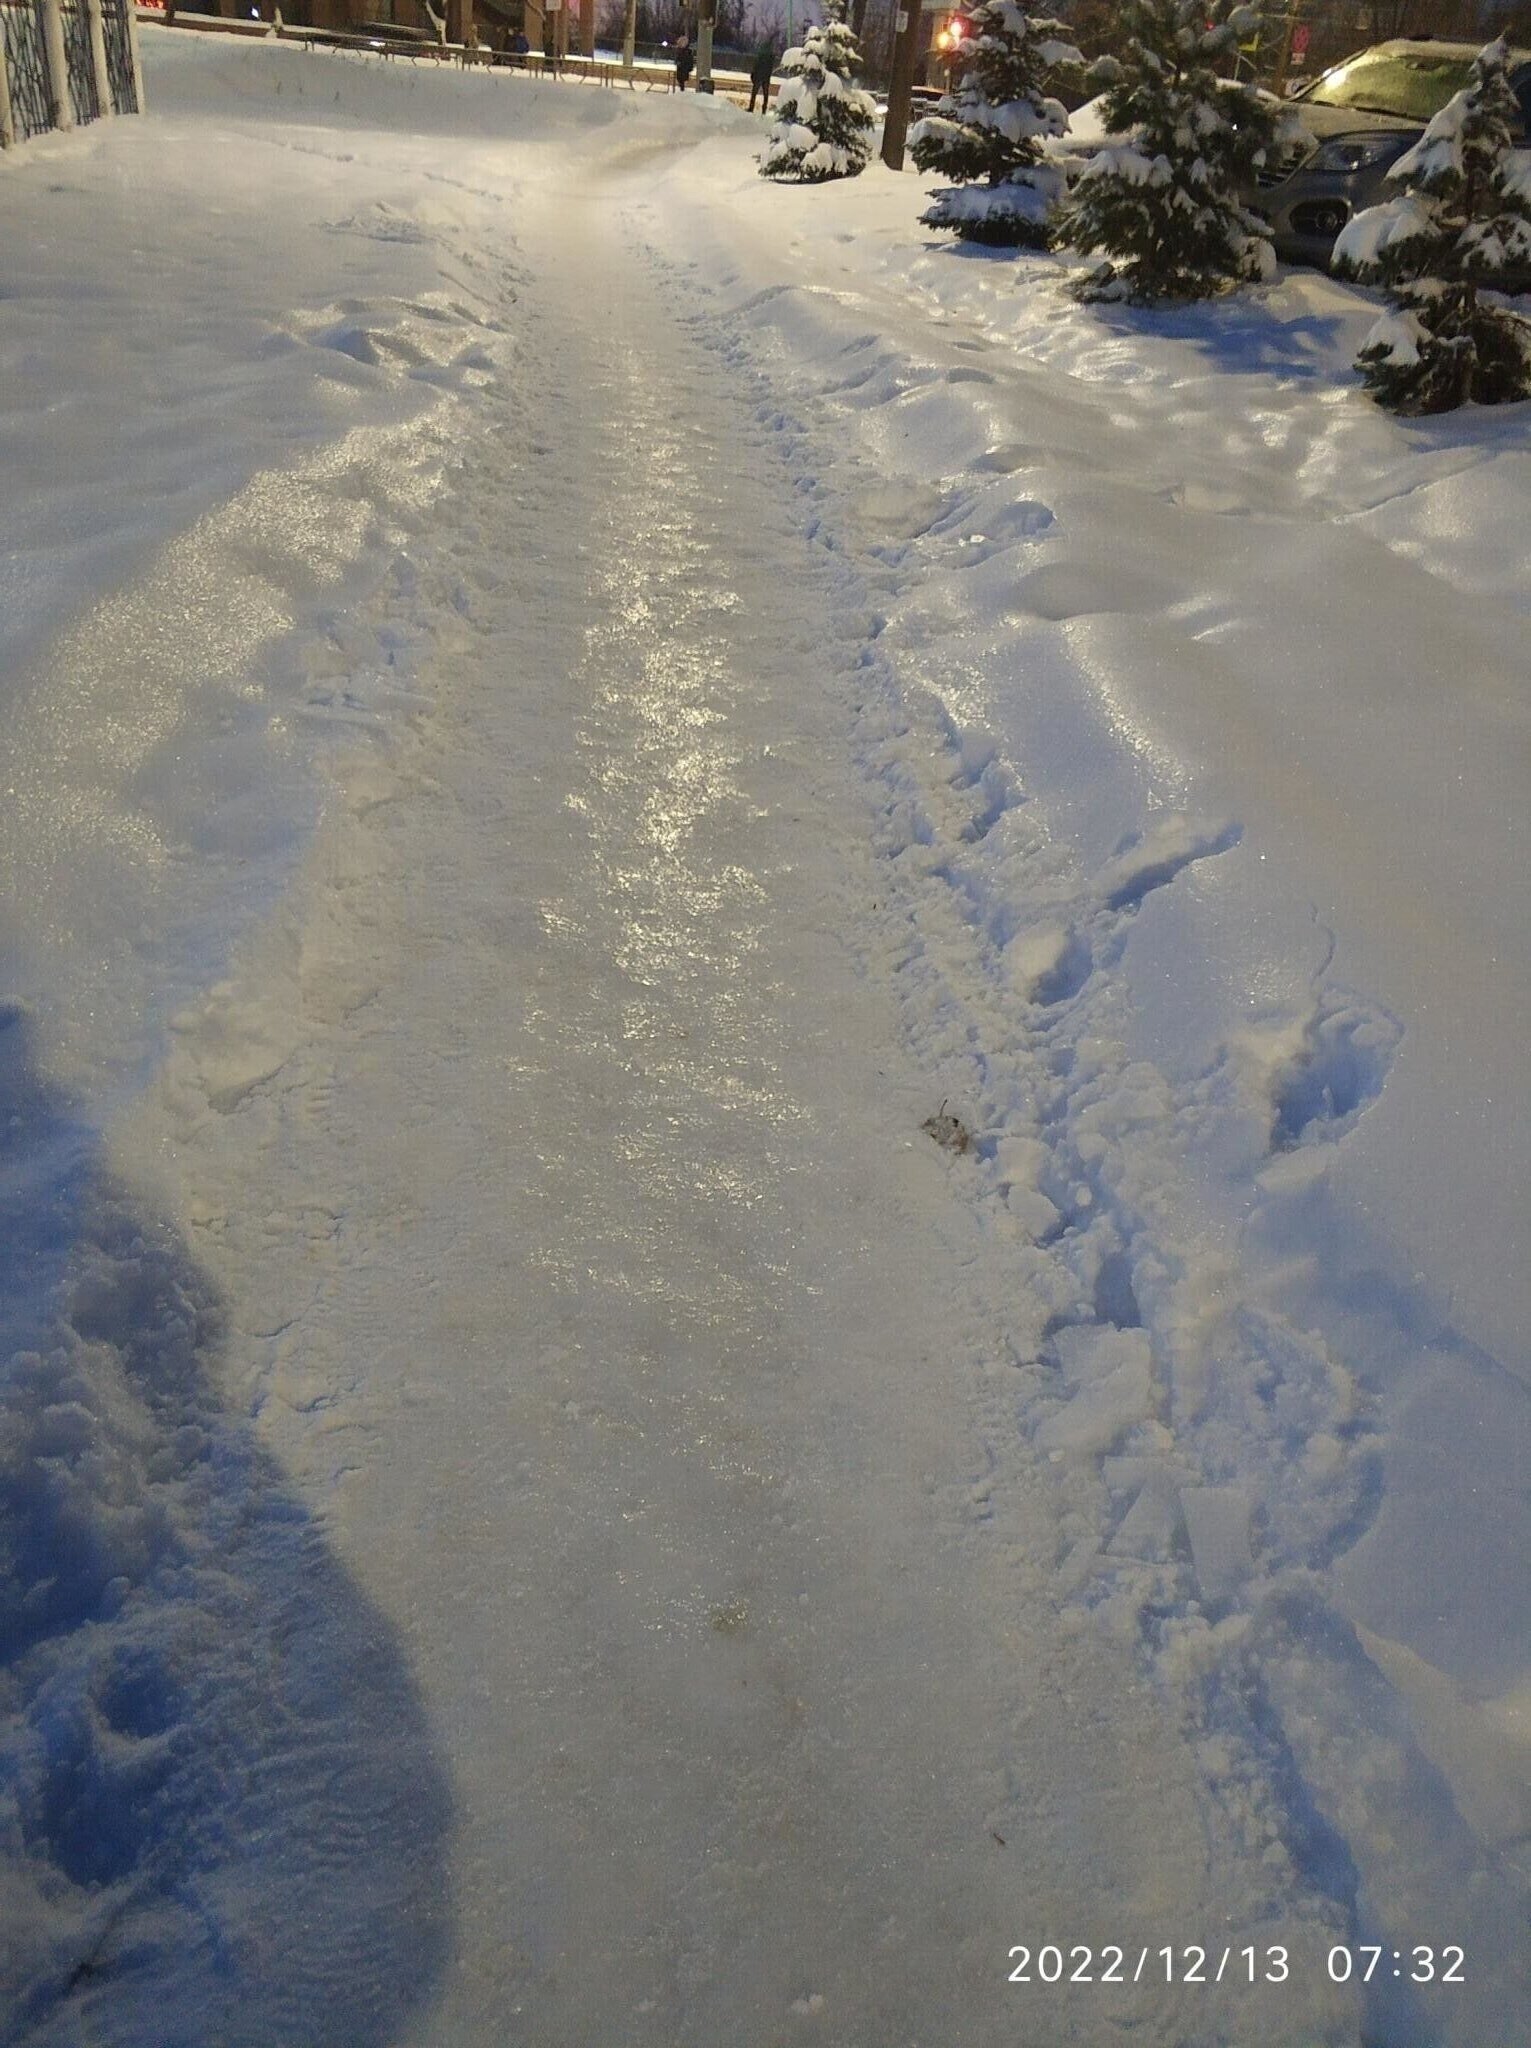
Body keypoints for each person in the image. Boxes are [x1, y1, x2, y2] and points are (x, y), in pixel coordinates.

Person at [748, 40, 774, 113]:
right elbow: (770, 68)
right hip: (766, 77)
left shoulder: (760, 55)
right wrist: (768, 75)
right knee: (765, 94)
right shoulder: (771, 56)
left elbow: (756, 65)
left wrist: (753, 75)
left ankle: (751, 108)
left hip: (758, 76)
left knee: (754, 93)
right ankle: (764, 109)